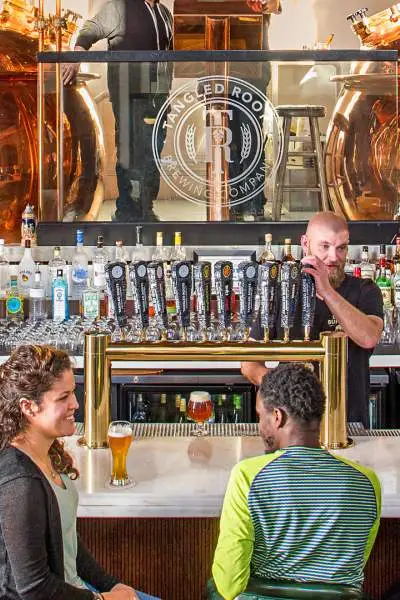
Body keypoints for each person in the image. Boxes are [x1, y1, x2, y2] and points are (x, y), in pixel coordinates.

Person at [0, 344, 159, 600]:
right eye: (63, 398)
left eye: (73, 392)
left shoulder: (48, 452)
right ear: (28, 407)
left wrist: (109, 584)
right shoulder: (20, 483)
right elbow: (34, 589)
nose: (75, 403)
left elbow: (67, 540)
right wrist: (104, 599)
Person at [210, 363, 381, 600]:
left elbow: (229, 584)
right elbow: (351, 568)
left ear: (277, 417)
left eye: (261, 416)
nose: (260, 426)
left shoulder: (248, 476)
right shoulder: (367, 482)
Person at [241, 211, 384, 426]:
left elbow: (369, 337)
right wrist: (282, 388)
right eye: (324, 247)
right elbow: (249, 362)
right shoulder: (282, 293)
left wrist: (326, 291)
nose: (334, 257)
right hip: (292, 427)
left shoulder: (365, 290)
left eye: (341, 248)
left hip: (347, 424)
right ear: (305, 244)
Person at [62, 0, 173, 222]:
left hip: (158, 97)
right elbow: (89, 30)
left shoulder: (164, 13)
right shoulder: (119, 7)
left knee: (152, 154)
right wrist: (75, 57)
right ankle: (127, 211)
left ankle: (145, 208)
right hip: (129, 94)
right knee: (130, 153)